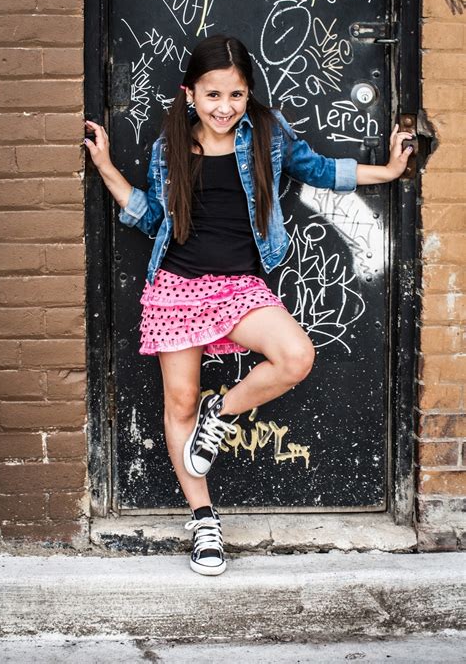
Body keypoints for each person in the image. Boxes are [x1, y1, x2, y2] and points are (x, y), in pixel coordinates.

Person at [84, 34, 414, 577]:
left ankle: (223, 412)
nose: (224, 107)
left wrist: (388, 172)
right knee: (181, 402)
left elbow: (319, 169)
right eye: (213, 95)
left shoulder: (267, 133)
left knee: (295, 357)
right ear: (190, 94)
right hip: (177, 284)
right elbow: (151, 218)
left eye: (236, 95)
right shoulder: (170, 146)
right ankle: (205, 522)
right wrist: (105, 166)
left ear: (248, 95)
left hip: (238, 285)